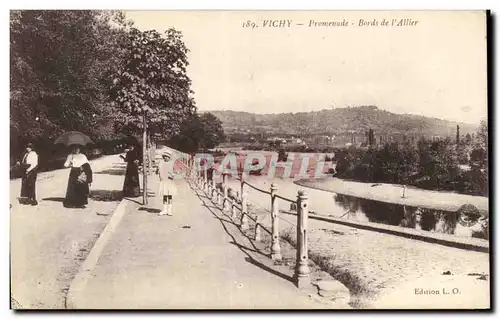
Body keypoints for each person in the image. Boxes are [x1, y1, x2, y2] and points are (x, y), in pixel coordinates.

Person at [157, 151, 177, 216]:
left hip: (170, 181)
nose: (166, 158)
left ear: (169, 157)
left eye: (167, 157)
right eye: (164, 157)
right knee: (165, 195)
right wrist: (158, 170)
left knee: (170, 196)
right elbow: (158, 172)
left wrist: (172, 175)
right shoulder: (161, 163)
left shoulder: (172, 164)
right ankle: (165, 210)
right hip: (163, 181)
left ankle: (169, 210)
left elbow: (175, 172)